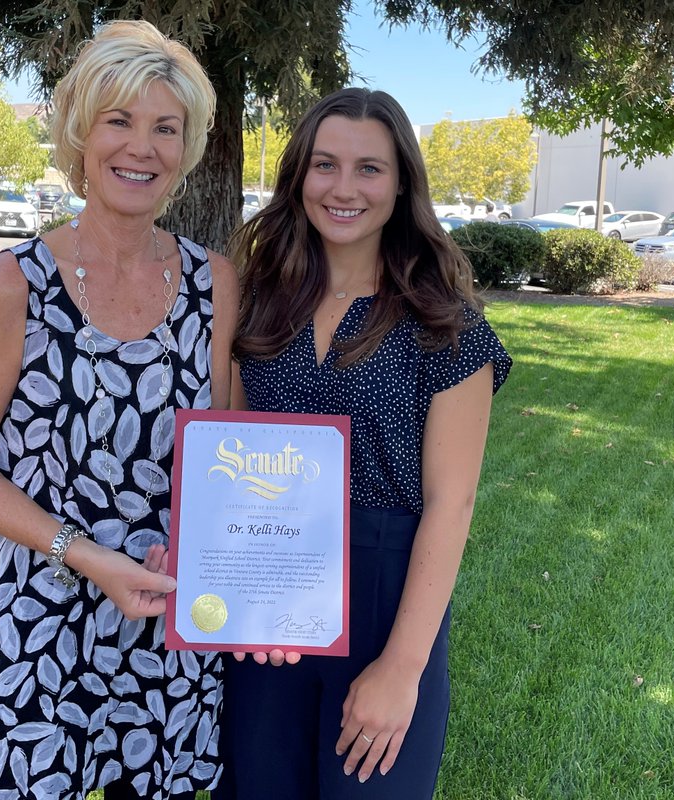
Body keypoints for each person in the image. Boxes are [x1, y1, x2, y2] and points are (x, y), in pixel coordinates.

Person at [0, 20, 237, 800]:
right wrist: (83, 554)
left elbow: (227, 457)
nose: (143, 147)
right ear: (80, 134)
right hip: (39, 626)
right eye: (120, 121)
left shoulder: (217, 284)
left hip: (167, 625)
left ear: (187, 145)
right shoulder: (15, 284)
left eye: (166, 127)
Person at [216, 87, 512, 799]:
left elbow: (453, 500)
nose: (343, 188)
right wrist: (220, 580)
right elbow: (222, 454)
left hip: (387, 603)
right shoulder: (255, 299)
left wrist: (401, 668)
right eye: (325, 165)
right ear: (299, 176)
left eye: (369, 169)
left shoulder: (445, 322)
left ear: (402, 180)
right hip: (267, 604)